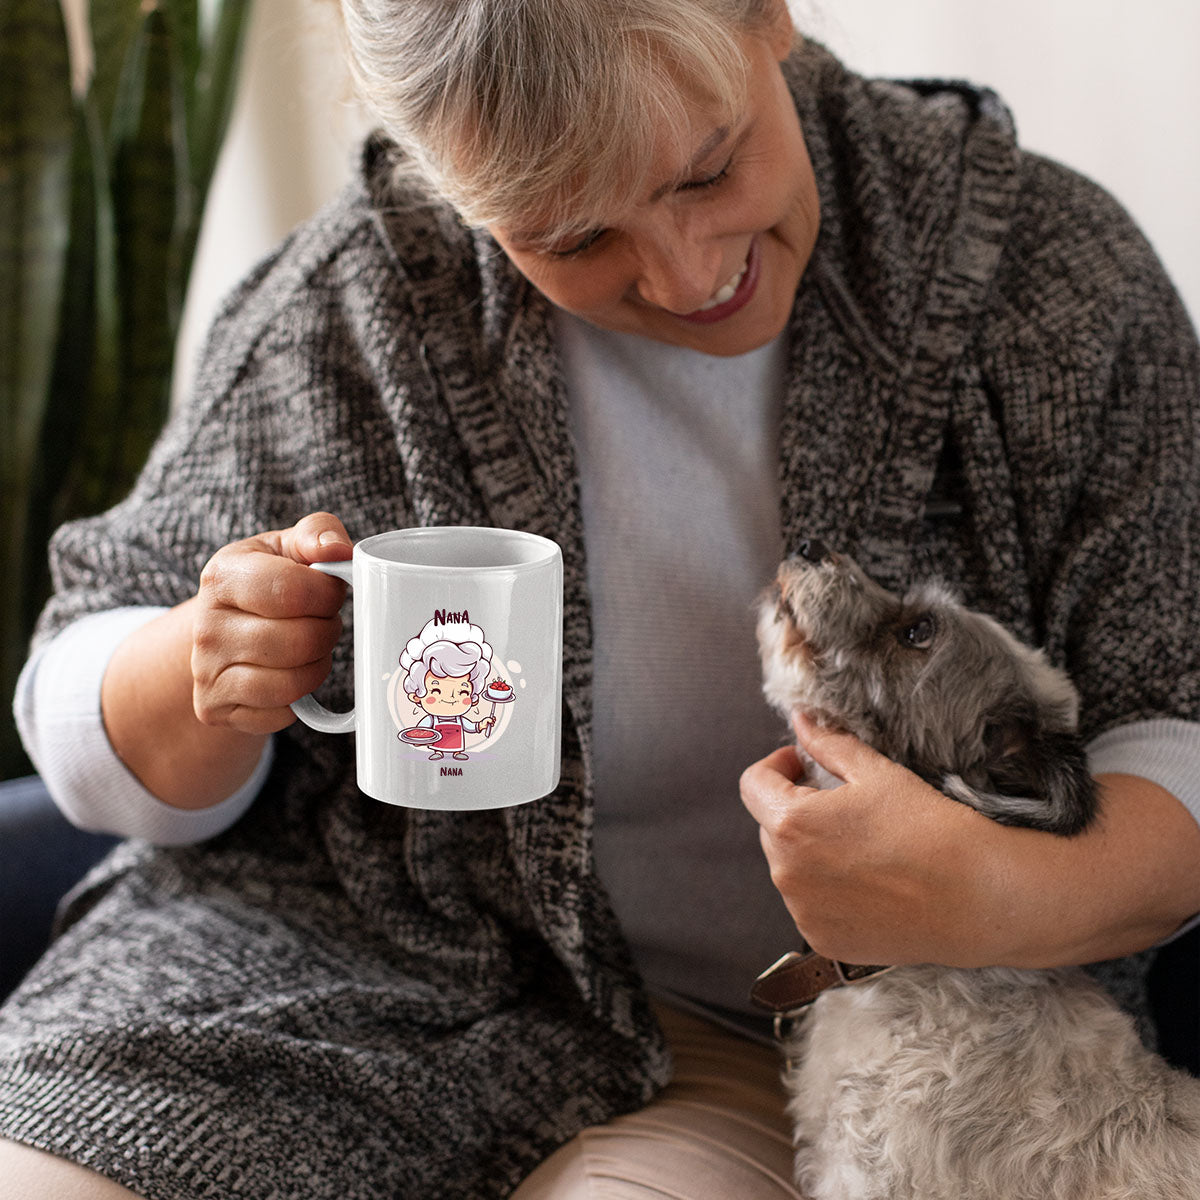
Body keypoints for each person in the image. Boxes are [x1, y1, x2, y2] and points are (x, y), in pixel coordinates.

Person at [4, 0, 1200, 1195]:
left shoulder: (1044, 281)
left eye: (710, 168)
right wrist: (201, 665)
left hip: (785, 1054)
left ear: (767, 16)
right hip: (310, 983)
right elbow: (79, 712)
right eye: (572, 238)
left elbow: (1178, 712)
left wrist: (999, 897)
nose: (687, 276)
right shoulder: (345, 319)